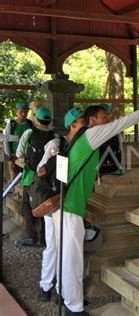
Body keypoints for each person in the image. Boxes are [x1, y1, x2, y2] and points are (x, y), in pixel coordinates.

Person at [40, 97, 139, 315]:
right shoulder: (91, 135)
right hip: (70, 209)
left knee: (65, 254)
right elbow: (125, 122)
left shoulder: (74, 141)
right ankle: (73, 307)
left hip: (63, 206)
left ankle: (63, 295)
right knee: (72, 259)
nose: (108, 120)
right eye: (104, 117)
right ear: (92, 121)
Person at [35, 108, 86, 303]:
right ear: (71, 125)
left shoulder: (76, 145)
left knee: (62, 248)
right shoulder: (56, 144)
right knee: (53, 247)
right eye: (82, 121)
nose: (86, 124)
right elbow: (42, 169)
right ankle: (45, 285)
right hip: (52, 204)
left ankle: (61, 290)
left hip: (64, 202)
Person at [15, 107, 56, 246]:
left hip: (30, 177)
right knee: (45, 205)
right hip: (48, 179)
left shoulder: (29, 132)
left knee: (27, 205)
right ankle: (45, 237)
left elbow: (19, 153)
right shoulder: (55, 136)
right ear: (49, 121)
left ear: (36, 120)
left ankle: (31, 236)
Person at [4, 102, 34, 181]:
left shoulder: (30, 124)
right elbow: (5, 139)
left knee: (27, 180)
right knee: (15, 180)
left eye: (26, 112)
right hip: (15, 157)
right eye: (21, 111)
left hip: (28, 157)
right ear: (16, 112)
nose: (24, 114)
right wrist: (10, 157)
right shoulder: (11, 124)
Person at [96, 104, 124, 176]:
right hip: (114, 167)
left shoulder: (94, 131)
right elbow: (120, 149)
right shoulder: (114, 130)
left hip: (99, 170)